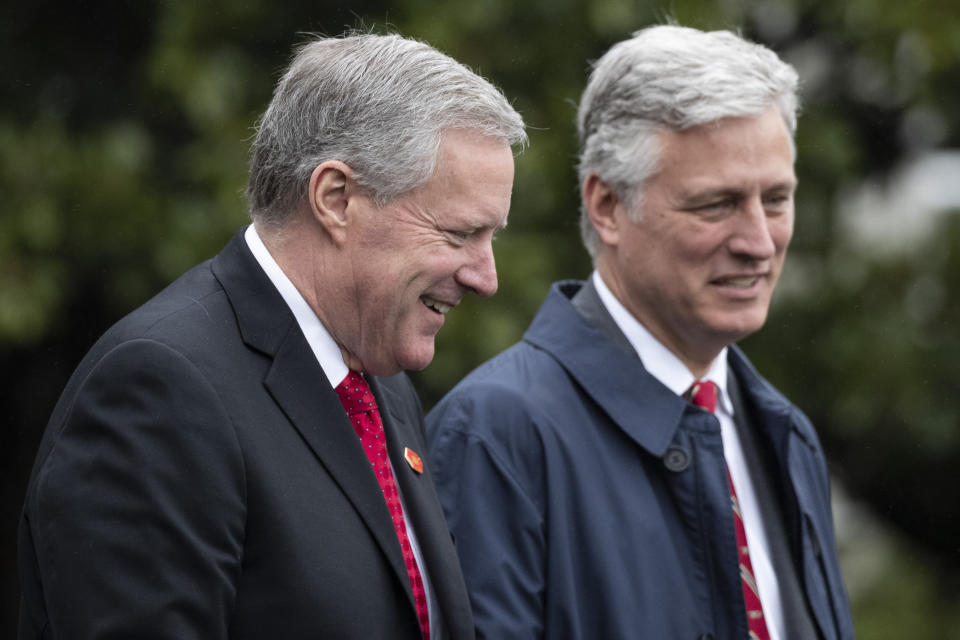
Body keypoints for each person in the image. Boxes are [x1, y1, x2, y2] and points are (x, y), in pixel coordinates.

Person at [18, 32, 526, 639]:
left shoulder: (378, 383)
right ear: (336, 198)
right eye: (458, 234)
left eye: (491, 237)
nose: (486, 277)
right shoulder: (159, 387)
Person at [427, 24, 855, 640]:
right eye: (716, 204)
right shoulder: (497, 436)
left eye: (778, 199)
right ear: (606, 205)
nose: (760, 242)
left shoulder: (785, 435)